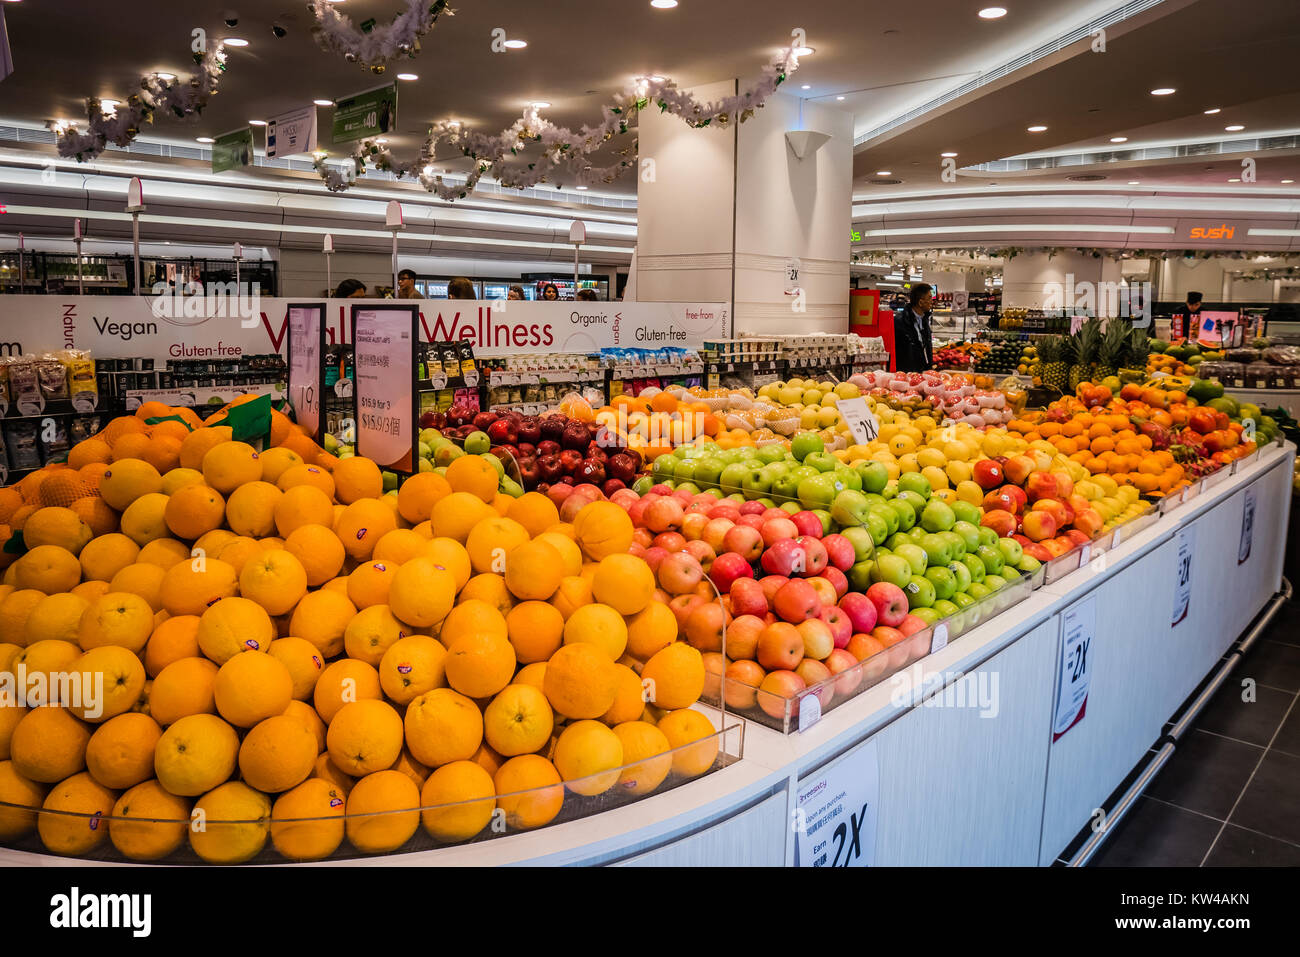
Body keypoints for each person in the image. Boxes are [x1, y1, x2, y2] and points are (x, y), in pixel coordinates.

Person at [893, 283, 934, 372]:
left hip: (922, 373)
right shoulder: (900, 321)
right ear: (920, 302)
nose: (932, 301)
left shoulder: (924, 319)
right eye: (930, 297)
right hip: (907, 375)